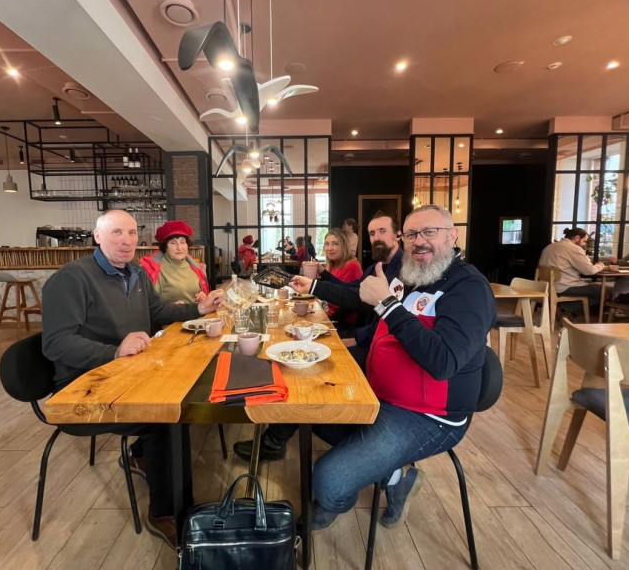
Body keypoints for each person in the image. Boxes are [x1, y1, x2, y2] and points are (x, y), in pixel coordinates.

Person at [41, 210, 223, 549]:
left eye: (131, 233)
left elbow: (158, 311)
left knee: (182, 399)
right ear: (97, 236)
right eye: (116, 233)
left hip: (131, 370)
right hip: (86, 385)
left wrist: (198, 310)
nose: (126, 240)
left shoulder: (136, 271)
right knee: (167, 418)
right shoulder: (72, 278)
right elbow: (56, 343)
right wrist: (114, 351)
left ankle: (143, 457)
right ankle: (166, 513)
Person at [308, 205, 496, 530]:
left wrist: (387, 305)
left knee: (327, 481)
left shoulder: (469, 288)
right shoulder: (411, 274)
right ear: (403, 239)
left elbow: (443, 362)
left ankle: (356, 485)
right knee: (312, 410)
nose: (419, 241)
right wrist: (310, 287)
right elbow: (359, 296)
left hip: (429, 416)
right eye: (411, 234)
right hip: (380, 393)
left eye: (429, 232)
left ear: (452, 235)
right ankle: (394, 474)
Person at [232, 212, 403, 462]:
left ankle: (283, 434)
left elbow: (377, 315)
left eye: (382, 231)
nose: (376, 237)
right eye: (372, 233)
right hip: (365, 335)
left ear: (398, 234)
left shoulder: (402, 271)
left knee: (306, 364)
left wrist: (355, 337)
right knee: (299, 355)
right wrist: (314, 284)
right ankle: (280, 430)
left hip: (376, 346)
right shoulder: (376, 268)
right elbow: (351, 291)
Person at [537, 227, 605, 316]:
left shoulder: (550, 246)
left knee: (595, 290)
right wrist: (600, 265)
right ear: (577, 238)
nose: (584, 244)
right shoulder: (573, 248)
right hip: (564, 287)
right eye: (584, 241)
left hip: (547, 286)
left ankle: (562, 307)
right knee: (603, 291)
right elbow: (589, 271)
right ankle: (564, 309)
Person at [140, 220, 208, 303]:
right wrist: (172, 307)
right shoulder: (154, 269)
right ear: (165, 247)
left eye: (182, 242)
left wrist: (203, 296)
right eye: (173, 243)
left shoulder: (196, 267)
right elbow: (150, 303)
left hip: (197, 311)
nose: (179, 247)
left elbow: (200, 292)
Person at [320, 228, 363, 325]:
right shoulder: (333, 264)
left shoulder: (352, 266)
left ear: (344, 246)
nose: (329, 248)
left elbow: (350, 304)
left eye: (335, 244)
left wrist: (329, 321)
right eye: (327, 244)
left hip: (345, 323)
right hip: (331, 314)